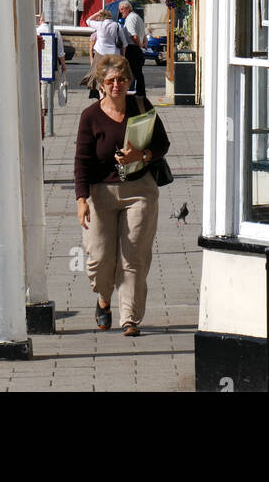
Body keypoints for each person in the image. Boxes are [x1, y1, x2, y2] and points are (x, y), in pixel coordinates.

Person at [74, 53, 170, 337]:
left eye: (122, 79)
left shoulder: (141, 106)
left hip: (140, 189)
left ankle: (129, 318)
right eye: (111, 81)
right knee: (100, 257)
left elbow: (163, 144)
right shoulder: (90, 117)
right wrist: (81, 200)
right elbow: (81, 161)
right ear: (101, 85)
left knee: (134, 257)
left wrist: (142, 155)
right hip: (100, 192)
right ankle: (104, 299)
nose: (117, 85)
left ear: (129, 81)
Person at [82, 7, 125, 100]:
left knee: (100, 75)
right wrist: (123, 56)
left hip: (100, 53)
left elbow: (88, 20)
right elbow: (124, 44)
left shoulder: (100, 25)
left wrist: (97, 12)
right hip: (114, 54)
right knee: (112, 75)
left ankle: (102, 96)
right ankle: (111, 93)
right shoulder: (117, 25)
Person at [118, 0, 147, 99]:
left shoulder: (130, 18)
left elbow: (134, 36)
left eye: (122, 9)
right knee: (137, 72)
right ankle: (140, 92)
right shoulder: (138, 17)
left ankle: (138, 92)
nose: (121, 12)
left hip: (132, 48)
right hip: (136, 48)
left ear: (127, 8)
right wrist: (143, 44)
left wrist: (139, 45)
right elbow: (144, 34)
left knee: (131, 72)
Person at [37, 15, 66, 112]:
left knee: (44, 83)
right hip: (53, 62)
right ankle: (50, 105)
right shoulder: (56, 32)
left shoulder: (36, 31)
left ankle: (44, 107)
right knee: (52, 84)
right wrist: (63, 64)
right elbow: (60, 51)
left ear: (41, 19)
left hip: (40, 61)